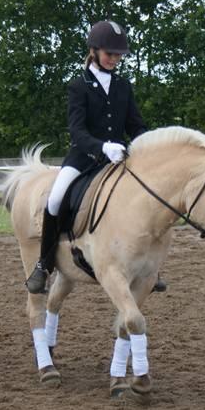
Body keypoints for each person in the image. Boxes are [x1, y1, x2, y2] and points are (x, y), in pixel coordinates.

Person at [25, 20, 166, 294]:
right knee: (55, 199)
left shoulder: (123, 86)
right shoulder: (79, 86)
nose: (114, 59)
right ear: (94, 51)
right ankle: (44, 265)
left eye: (118, 55)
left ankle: (149, 267)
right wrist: (102, 147)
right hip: (84, 158)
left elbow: (135, 126)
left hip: (119, 160)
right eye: (109, 54)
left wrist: (147, 144)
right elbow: (77, 131)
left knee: (146, 198)